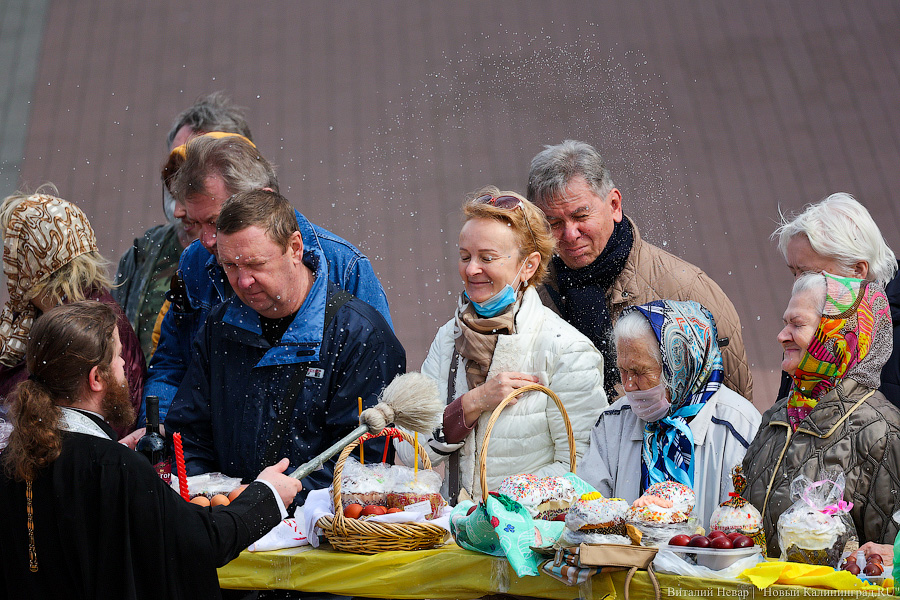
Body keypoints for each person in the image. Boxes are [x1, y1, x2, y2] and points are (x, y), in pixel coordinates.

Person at [0, 301, 301, 600]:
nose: (122, 365)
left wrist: (107, 456)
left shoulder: (17, 453)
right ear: (96, 378)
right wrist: (267, 496)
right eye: (117, 356)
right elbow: (201, 544)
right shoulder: (115, 467)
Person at [164, 190, 405, 500]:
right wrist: (211, 499)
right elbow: (188, 439)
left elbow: (362, 466)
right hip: (227, 527)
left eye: (255, 264)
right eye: (231, 267)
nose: (244, 281)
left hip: (319, 536)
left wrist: (266, 503)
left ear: (294, 248)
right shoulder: (218, 327)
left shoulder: (361, 336)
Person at [142, 132, 393, 426]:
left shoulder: (345, 267)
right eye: (195, 224)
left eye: (216, 221)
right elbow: (172, 364)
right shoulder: (194, 262)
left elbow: (381, 393)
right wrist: (157, 429)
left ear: (265, 199)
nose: (207, 240)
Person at [398, 188, 607, 499]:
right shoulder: (449, 337)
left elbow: (581, 469)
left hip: (529, 542)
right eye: (465, 256)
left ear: (529, 266)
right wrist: (471, 404)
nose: (471, 270)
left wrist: (493, 507)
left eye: (487, 258)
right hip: (457, 537)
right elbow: (410, 453)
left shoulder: (566, 349)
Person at [526, 140, 752, 401]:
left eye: (581, 217)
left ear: (614, 205)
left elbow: (731, 409)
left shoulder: (688, 291)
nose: (570, 234)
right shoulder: (529, 294)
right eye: (553, 223)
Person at [743, 272, 900, 557]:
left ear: (838, 334)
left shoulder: (881, 433)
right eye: (784, 323)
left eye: (797, 324)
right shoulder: (778, 416)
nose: (781, 336)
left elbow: (886, 565)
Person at [578, 300, 761, 527]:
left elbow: (743, 527)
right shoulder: (613, 422)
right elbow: (589, 511)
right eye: (623, 371)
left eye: (639, 371)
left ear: (680, 365)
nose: (629, 385)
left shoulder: (738, 426)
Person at [113, 92, 253, 362]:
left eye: (201, 170)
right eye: (177, 167)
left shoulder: (283, 249)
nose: (185, 186)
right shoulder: (144, 253)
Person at [0, 189, 144, 438]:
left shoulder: (88, 328)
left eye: (12, 250)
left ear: (28, 263)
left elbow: (107, 422)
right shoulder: (35, 314)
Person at [772, 192, 900, 407]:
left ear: (857, 270)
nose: (798, 286)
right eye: (794, 272)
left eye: (809, 273)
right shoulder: (814, 324)